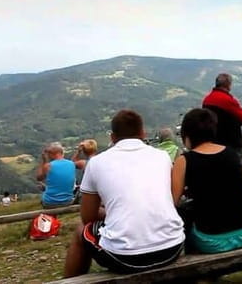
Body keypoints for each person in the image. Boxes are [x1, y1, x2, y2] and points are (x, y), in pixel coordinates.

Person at [63, 109, 185, 277]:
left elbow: (88, 217)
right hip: (172, 247)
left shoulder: (96, 163)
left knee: (81, 230)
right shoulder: (162, 156)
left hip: (125, 257)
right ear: (143, 133)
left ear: (112, 137)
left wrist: (114, 212)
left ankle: (71, 281)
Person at [171, 109, 242, 254]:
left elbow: (173, 201)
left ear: (187, 136)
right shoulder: (232, 154)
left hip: (210, 240)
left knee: (183, 216)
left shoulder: (184, 161)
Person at [202, 73, 242, 165]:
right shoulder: (228, 100)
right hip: (230, 143)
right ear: (228, 85)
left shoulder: (207, 100)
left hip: (213, 142)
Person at [36, 142, 76, 209]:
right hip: (68, 201)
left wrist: (44, 161)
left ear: (51, 154)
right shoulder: (72, 164)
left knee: (45, 192)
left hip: (50, 203)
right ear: (61, 152)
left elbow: (39, 178)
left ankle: (51, 218)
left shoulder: (48, 165)